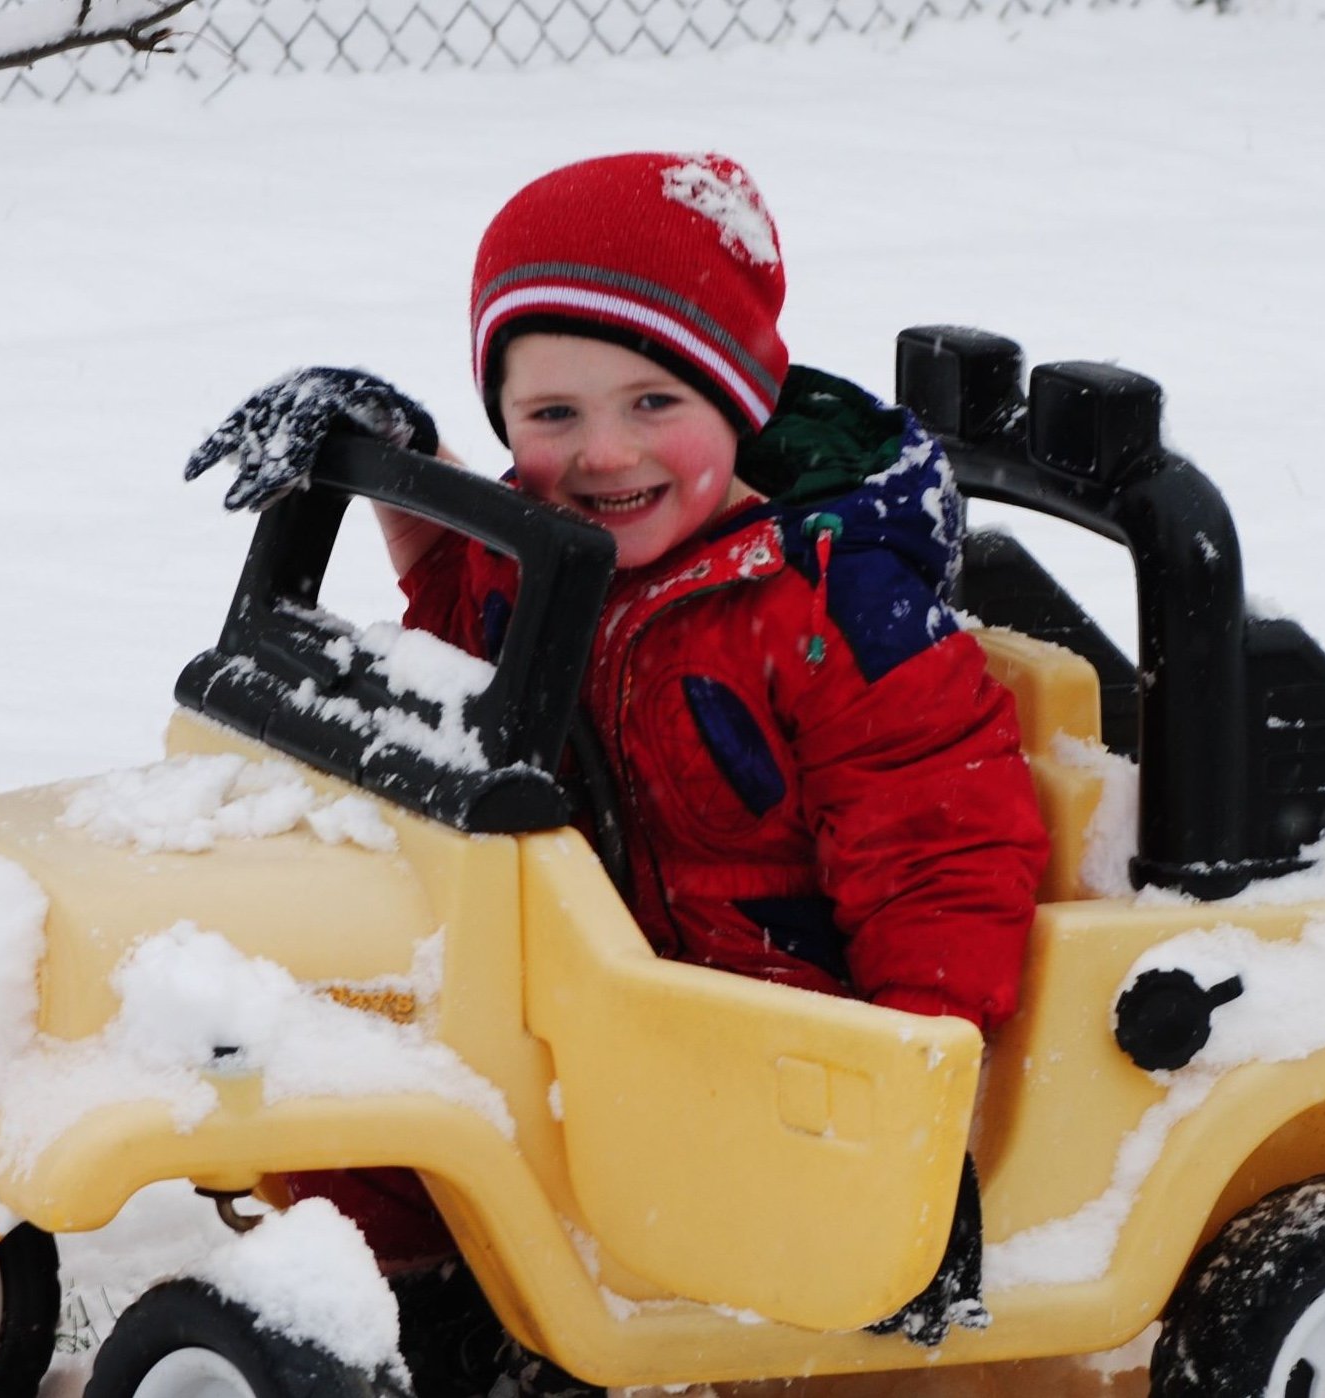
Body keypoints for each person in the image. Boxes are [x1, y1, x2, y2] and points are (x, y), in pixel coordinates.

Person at [188, 152, 1051, 1386]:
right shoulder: (543, 547)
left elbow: (938, 842)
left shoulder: (833, 610)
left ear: (738, 400)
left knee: (613, 1201)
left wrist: (913, 1116)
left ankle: (598, 1348)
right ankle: (420, 1328)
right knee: (356, 1104)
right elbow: (454, 622)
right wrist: (393, 460)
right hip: (581, 987)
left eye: (653, 403)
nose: (602, 454)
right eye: (551, 416)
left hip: (766, 1040)